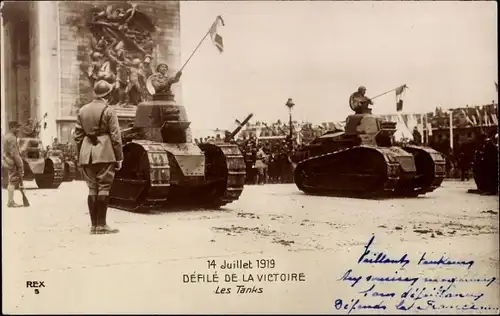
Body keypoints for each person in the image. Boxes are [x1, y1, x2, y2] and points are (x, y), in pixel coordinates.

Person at [74, 80, 124, 235]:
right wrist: (119, 157)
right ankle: (101, 225)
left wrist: (81, 154)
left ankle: (94, 226)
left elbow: (77, 136)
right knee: (104, 188)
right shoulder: (109, 110)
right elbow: (116, 137)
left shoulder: (82, 110)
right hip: (105, 153)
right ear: (108, 94)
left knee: (92, 189)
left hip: (86, 153)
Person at [2, 121, 25, 208]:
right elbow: (14, 153)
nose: (18, 129)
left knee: (10, 180)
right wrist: (21, 164)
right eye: (16, 127)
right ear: (12, 127)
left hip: (7, 160)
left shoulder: (6, 136)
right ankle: (10, 202)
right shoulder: (12, 138)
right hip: (12, 161)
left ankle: (10, 201)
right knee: (12, 181)